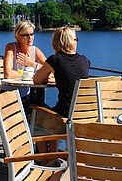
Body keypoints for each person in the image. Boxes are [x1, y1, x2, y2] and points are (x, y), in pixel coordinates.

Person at [33, 26, 90, 160]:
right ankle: (54, 158)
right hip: (85, 115)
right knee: (51, 115)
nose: (77, 41)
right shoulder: (85, 61)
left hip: (65, 116)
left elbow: (36, 79)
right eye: (76, 39)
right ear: (71, 42)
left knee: (38, 119)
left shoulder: (55, 60)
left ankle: (47, 161)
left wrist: (50, 73)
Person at [1, 20, 46, 111]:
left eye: (32, 34)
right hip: (9, 96)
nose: (30, 38)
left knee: (44, 110)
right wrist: (30, 75)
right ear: (18, 36)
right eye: (26, 35)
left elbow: (51, 71)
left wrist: (33, 64)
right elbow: (8, 74)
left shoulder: (35, 50)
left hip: (28, 97)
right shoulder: (11, 48)